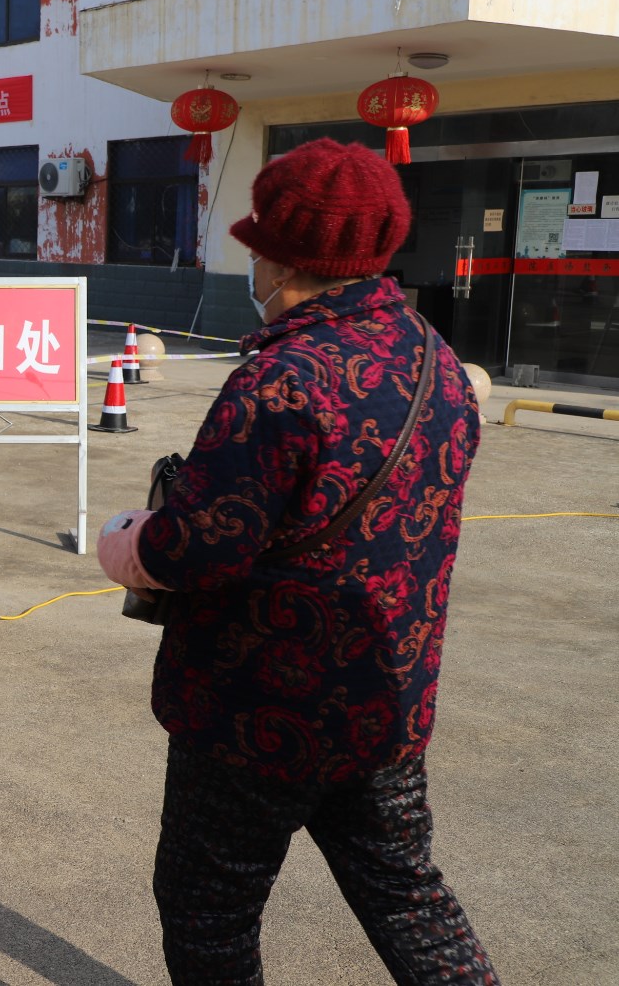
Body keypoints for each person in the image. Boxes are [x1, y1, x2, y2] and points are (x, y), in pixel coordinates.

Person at [94, 139, 495, 985]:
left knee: (210, 910)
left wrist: (130, 541)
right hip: (383, 698)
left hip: (255, 708)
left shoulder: (278, 380)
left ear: (280, 259)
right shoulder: (436, 361)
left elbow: (202, 545)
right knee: (408, 898)